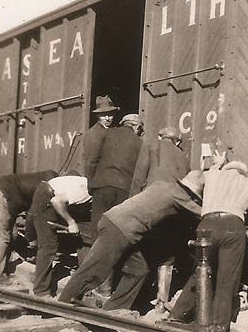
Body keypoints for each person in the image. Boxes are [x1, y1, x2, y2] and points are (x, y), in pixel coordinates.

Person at [58, 171, 205, 305]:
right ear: (191, 193)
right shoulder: (180, 196)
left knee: (139, 269)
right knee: (94, 267)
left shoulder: (162, 184)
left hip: (117, 224)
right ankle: (64, 303)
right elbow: (202, 213)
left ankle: (114, 309)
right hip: (120, 229)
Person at [169, 152, 248, 332]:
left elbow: (203, 176)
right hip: (233, 226)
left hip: (207, 224)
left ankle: (178, 315)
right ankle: (218, 326)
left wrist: (218, 165)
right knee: (227, 278)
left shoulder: (214, 174)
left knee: (200, 271)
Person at [82, 96, 144, 233]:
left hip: (104, 184)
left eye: (110, 114)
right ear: (97, 116)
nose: (108, 118)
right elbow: (91, 161)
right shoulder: (93, 134)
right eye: (104, 115)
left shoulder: (112, 132)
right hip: (105, 184)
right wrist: (90, 183)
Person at [0, 169, 57, 283]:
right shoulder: (49, 188)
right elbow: (32, 214)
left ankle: (3, 269)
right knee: (1, 236)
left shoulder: (49, 179)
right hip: (2, 192)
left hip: (1, 189)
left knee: (11, 234)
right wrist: (31, 238)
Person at [27, 174, 92, 297]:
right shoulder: (85, 192)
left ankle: (84, 281)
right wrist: (71, 222)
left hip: (55, 194)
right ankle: (41, 291)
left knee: (87, 235)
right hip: (48, 197)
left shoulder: (90, 188)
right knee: (48, 246)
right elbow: (56, 201)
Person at [130, 126, 190, 196]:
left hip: (151, 195)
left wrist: (131, 199)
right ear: (177, 143)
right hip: (173, 200)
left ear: (159, 137)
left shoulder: (150, 146)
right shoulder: (184, 157)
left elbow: (139, 177)